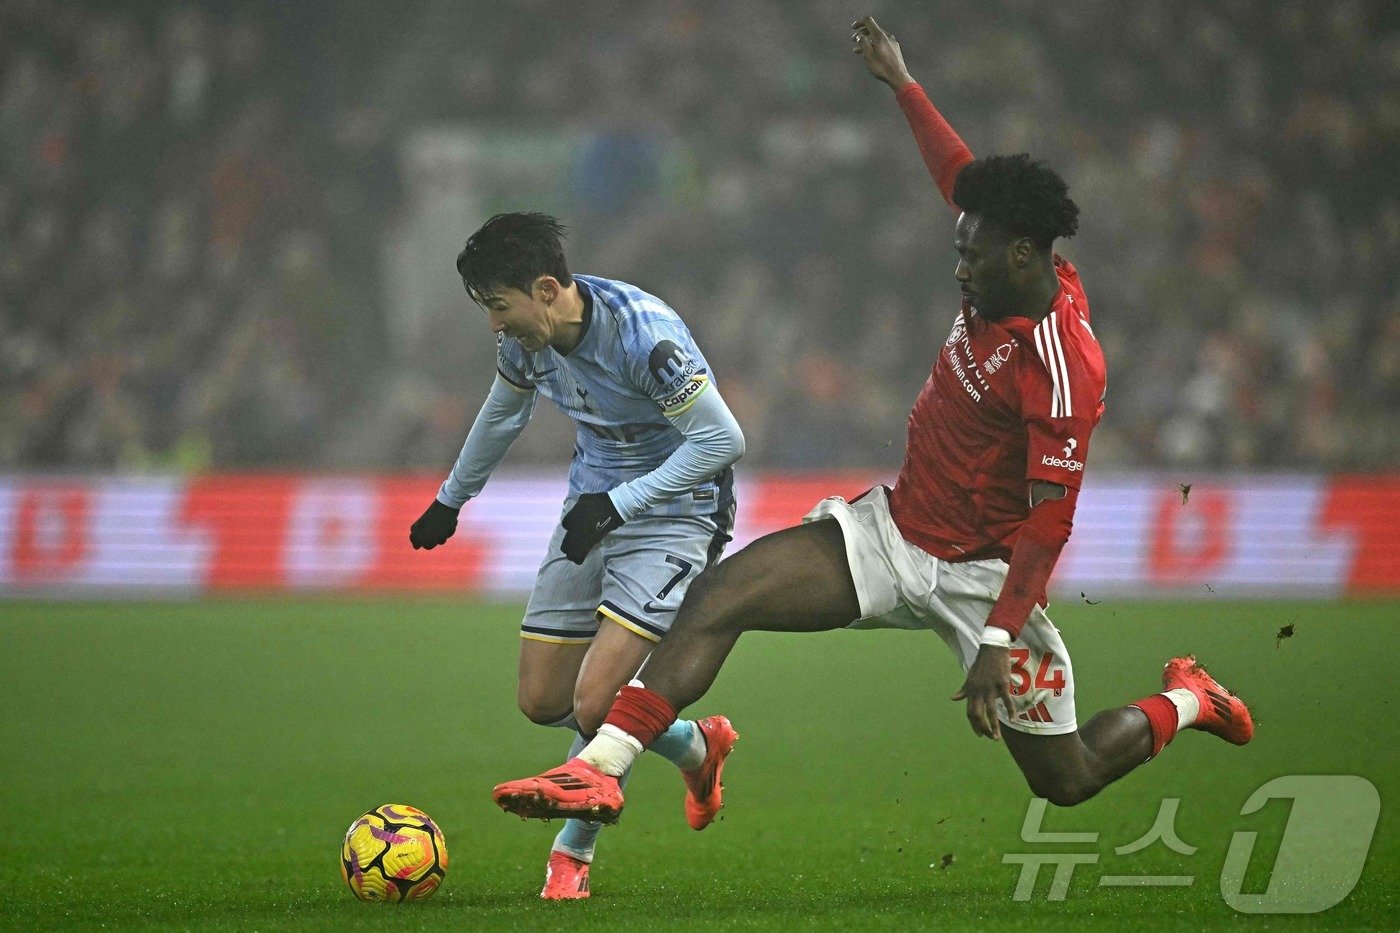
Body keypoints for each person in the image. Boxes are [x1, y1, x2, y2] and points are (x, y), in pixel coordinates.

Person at [490, 18, 1253, 830]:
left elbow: (1047, 522)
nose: (959, 269)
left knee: (1066, 780)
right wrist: (903, 84)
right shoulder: (1001, 268)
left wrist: (997, 640)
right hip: (891, 535)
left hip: (986, 581)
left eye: (975, 256)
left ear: (1025, 255)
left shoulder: (1063, 366)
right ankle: (602, 771)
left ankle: (1187, 698)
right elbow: (960, 179)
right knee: (720, 594)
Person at [409, 212, 744, 898]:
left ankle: (572, 857)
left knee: (597, 704)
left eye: (499, 308)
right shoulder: (529, 343)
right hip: (592, 506)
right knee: (540, 699)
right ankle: (691, 744)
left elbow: (720, 440)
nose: (495, 326)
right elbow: (504, 412)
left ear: (543, 288)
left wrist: (622, 505)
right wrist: (451, 498)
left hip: (675, 516)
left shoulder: (644, 338)